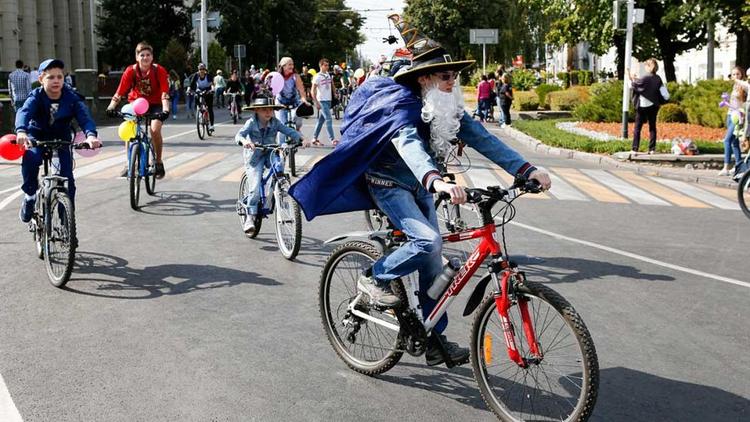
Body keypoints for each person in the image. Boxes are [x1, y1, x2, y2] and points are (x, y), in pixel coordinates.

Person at [289, 17, 551, 368]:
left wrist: (526, 170)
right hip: (389, 183)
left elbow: (485, 140)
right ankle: (373, 277)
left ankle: (430, 337)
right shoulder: (403, 107)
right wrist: (436, 180)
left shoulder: (447, 107)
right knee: (428, 242)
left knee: (432, 262)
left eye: (454, 75)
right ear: (424, 78)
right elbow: (409, 145)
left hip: (422, 186)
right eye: (445, 76)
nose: (452, 81)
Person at [15, 58, 101, 224]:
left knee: (67, 178)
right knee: (31, 160)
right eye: (50, 77)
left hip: (61, 137)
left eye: (59, 77)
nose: (55, 81)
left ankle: (66, 220)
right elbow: (23, 112)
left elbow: (85, 118)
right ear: (41, 79)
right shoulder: (36, 96)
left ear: (64, 78)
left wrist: (91, 135)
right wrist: (21, 132)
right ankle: (30, 196)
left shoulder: (71, 97)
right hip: (37, 136)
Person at [234, 96, 310, 234]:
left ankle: (281, 192)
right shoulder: (251, 123)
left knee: (279, 166)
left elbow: (289, 131)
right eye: (264, 110)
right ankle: (250, 217)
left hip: (270, 153)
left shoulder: (275, 122)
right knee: (255, 187)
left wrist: (302, 138)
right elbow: (239, 135)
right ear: (256, 111)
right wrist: (245, 142)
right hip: (254, 158)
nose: (268, 112)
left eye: (270, 109)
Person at [107, 41, 171, 178]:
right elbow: (120, 92)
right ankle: (130, 162)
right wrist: (111, 107)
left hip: (155, 104)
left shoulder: (159, 70)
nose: (145, 58)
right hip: (136, 104)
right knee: (129, 130)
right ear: (137, 57)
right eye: (142, 55)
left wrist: (165, 110)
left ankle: (158, 162)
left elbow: (164, 93)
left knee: (154, 129)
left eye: (148, 55)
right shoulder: (131, 71)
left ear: (152, 57)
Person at [628, 58, 669, 154]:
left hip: (642, 106)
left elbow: (633, 86)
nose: (645, 66)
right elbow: (666, 95)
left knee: (637, 128)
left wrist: (629, 77)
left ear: (649, 66)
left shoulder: (645, 78)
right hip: (653, 106)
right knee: (652, 127)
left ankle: (634, 148)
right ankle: (652, 149)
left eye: (646, 65)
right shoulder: (658, 78)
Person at [718, 66, 747, 176]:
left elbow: (743, 102)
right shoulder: (735, 86)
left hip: (737, 115)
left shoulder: (743, 86)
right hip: (730, 114)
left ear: (742, 75)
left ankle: (726, 166)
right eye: (733, 74)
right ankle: (739, 166)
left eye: (737, 74)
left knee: (727, 140)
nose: (735, 76)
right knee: (734, 142)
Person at [274, 57, 311, 143]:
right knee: (282, 126)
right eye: (289, 64)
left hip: (294, 101)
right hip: (280, 102)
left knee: (298, 118)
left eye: (292, 64)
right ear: (283, 66)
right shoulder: (277, 76)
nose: (292, 66)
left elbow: (301, 90)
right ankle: (281, 148)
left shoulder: (295, 76)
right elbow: (274, 91)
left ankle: (297, 130)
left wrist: (304, 100)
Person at [311, 58, 337, 146]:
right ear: (321, 66)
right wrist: (315, 102)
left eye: (328, 65)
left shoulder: (328, 75)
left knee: (321, 121)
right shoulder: (317, 76)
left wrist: (335, 93)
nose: (327, 67)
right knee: (329, 119)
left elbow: (332, 84)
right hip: (321, 100)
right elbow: (312, 90)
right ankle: (332, 139)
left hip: (328, 100)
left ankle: (314, 138)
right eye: (325, 65)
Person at [188, 63, 215, 131]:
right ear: (198, 70)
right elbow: (191, 84)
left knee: (210, 108)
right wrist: (188, 90)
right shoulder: (196, 75)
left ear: (205, 69)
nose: (201, 71)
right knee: (196, 96)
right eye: (200, 69)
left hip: (208, 90)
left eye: (203, 69)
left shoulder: (208, 76)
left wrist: (212, 89)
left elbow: (212, 84)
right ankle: (199, 111)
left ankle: (211, 125)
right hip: (199, 90)